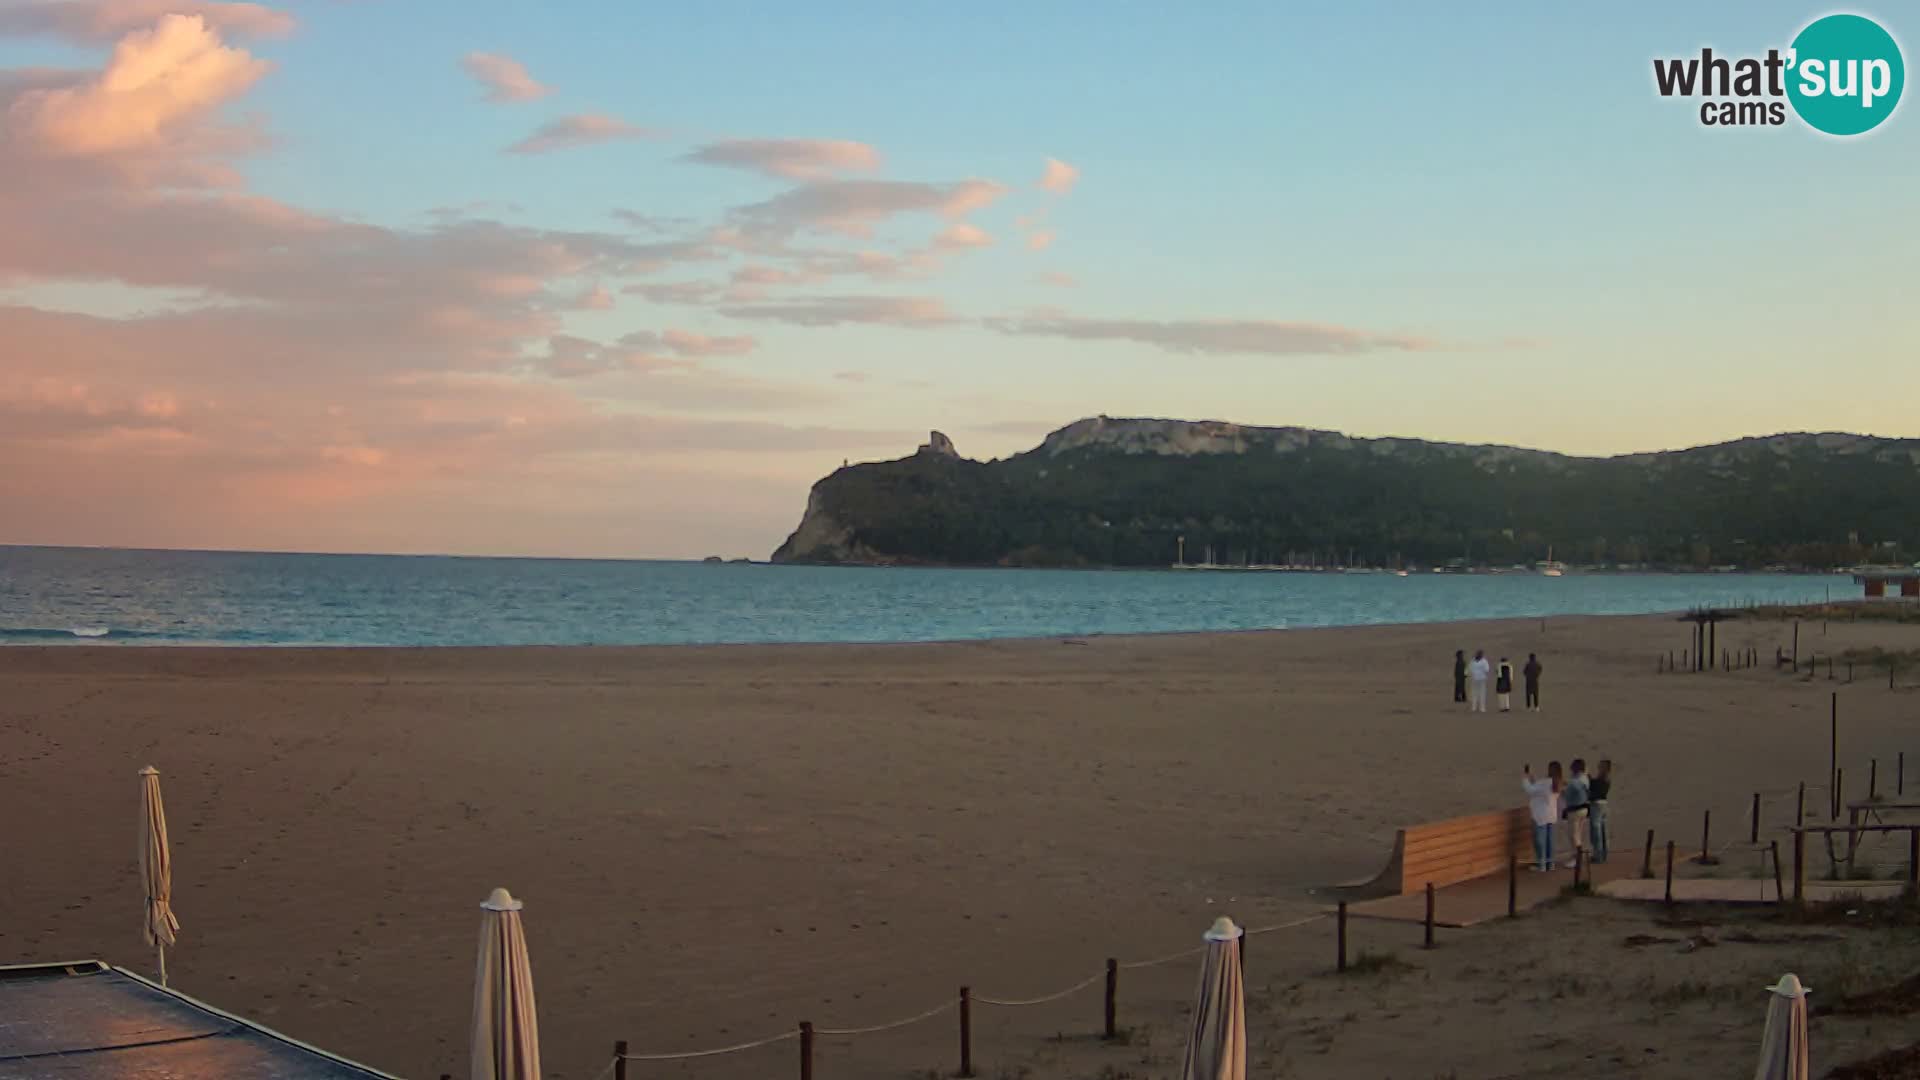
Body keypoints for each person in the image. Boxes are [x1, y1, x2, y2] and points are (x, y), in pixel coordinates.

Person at [1522, 762, 1561, 871]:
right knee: (1549, 841)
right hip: (1551, 815)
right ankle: (1550, 864)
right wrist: (1532, 777)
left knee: (1540, 842)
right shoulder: (1557, 783)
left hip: (1541, 816)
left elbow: (1530, 790)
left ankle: (1542, 865)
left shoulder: (1546, 783)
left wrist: (1525, 778)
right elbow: (1539, 787)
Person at [1561, 758, 1591, 868]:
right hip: (1583, 809)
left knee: (1573, 835)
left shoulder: (1575, 782)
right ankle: (1577, 856)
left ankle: (1576, 859)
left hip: (1575, 810)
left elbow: (1568, 794)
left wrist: (1563, 789)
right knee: (1577, 834)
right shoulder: (1585, 777)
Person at [1588, 759, 1612, 863]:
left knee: (1597, 832)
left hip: (1597, 805)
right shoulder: (1606, 778)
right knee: (1603, 831)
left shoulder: (1603, 778)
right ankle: (1603, 855)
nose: (1599, 767)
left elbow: (1595, 789)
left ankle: (1598, 856)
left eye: (1601, 766)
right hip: (1604, 805)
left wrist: (1589, 779)